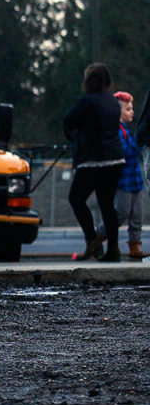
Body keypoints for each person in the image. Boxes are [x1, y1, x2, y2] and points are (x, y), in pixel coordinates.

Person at [64, 63, 125, 262]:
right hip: (115, 159)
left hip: (93, 160)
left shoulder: (87, 101)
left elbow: (68, 120)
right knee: (107, 205)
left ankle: (92, 241)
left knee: (76, 198)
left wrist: (74, 137)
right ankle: (113, 249)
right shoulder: (112, 102)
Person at [91, 91, 142, 259]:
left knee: (136, 215)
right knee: (121, 213)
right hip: (123, 181)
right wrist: (138, 146)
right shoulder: (117, 132)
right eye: (128, 109)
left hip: (135, 180)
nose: (131, 112)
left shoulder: (127, 131)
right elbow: (126, 151)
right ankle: (97, 237)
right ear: (118, 111)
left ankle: (135, 245)